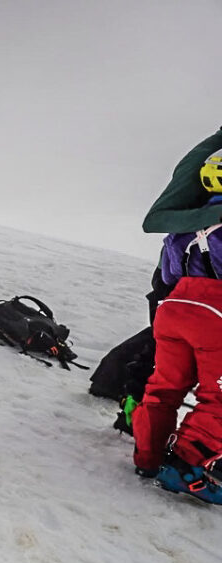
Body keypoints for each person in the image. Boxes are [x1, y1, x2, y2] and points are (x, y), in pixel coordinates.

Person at [132, 132, 222, 504]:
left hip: (174, 308)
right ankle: (186, 467)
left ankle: (148, 458)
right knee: (218, 398)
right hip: (215, 314)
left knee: (163, 389)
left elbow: (168, 275)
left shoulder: (184, 225)